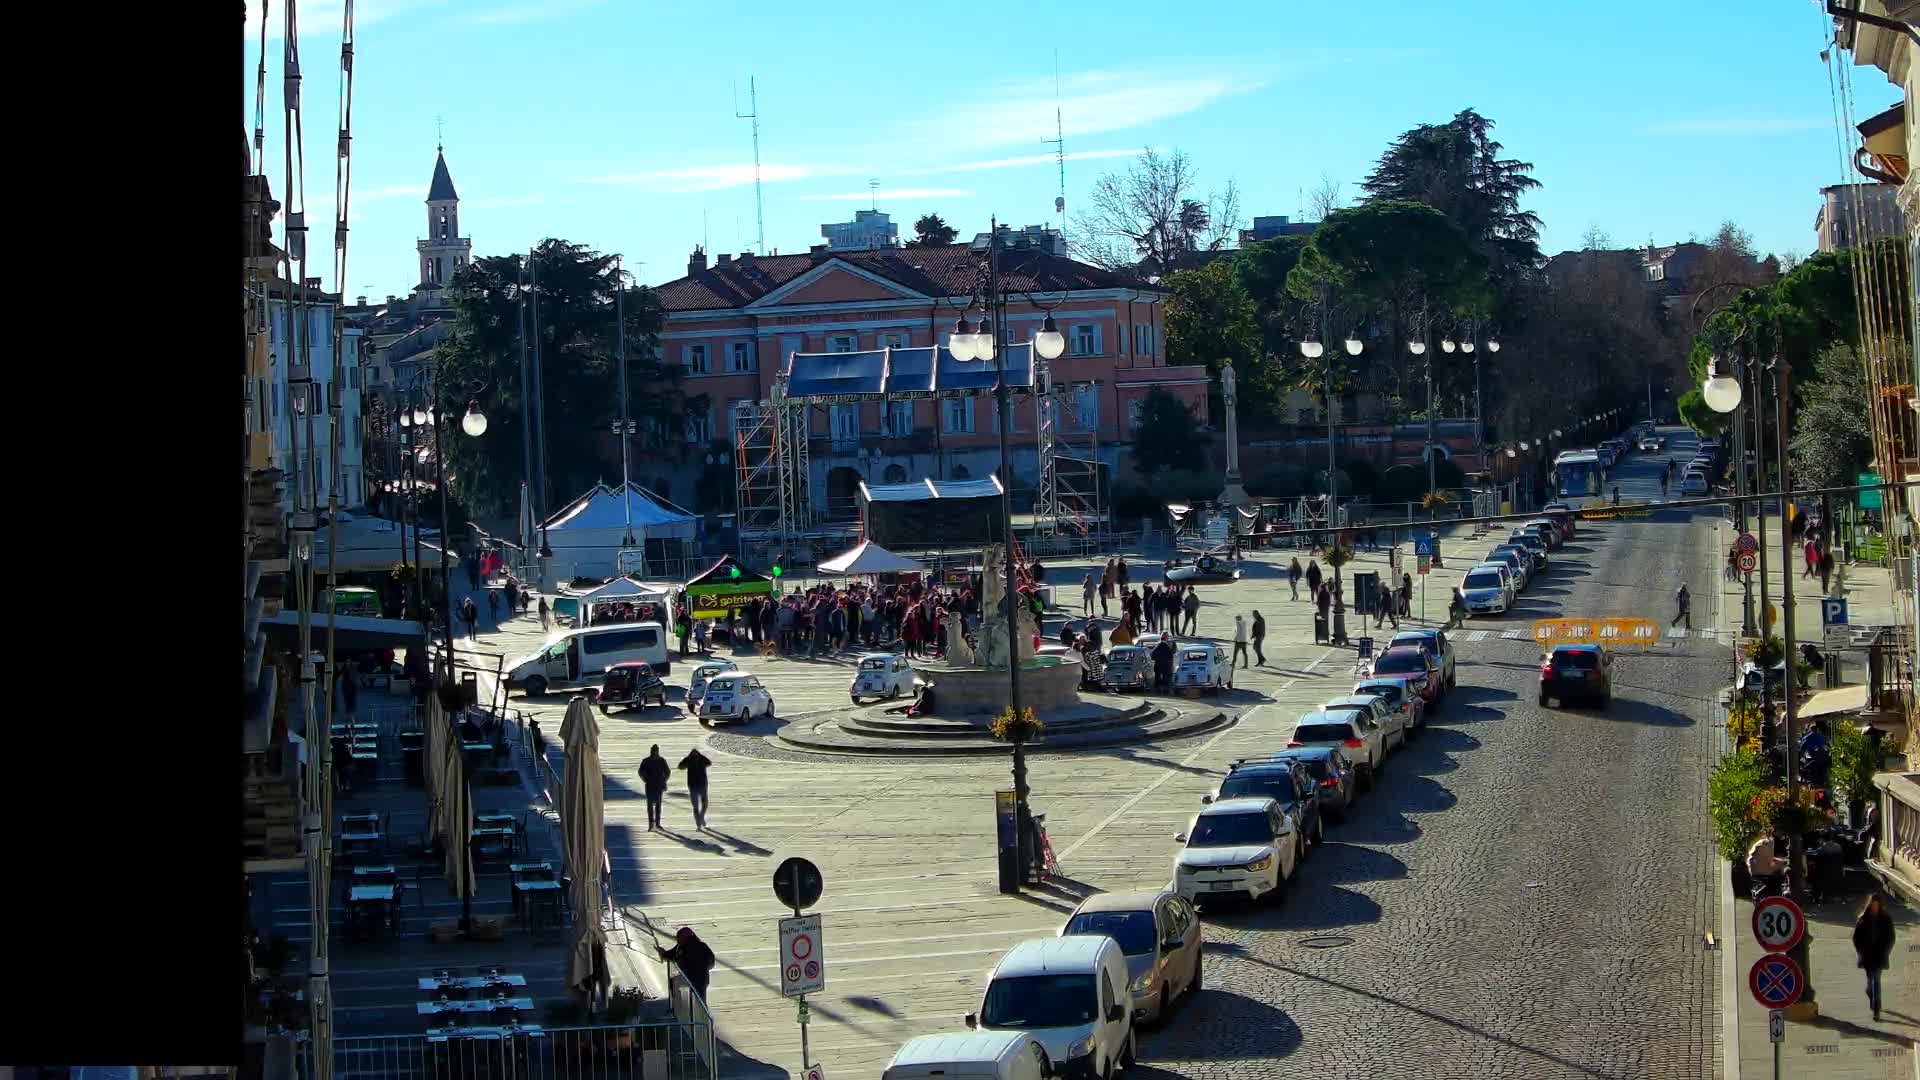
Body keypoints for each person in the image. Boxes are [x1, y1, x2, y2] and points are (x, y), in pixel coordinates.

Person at [1855, 893, 1897, 1021]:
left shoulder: (1886, 919)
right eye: (1873, 905)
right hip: (1867, 956)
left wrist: (1886, 951)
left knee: (1876, 981)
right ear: (1869, 906)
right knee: (1869, 986)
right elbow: (1856, 938)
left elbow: (1891, 937)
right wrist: (1860, 951)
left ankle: (1876, 1010)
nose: (1874, 907)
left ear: (1880, 906)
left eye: (1876, 905)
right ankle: (1872, 997)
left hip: (1879, 955)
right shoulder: (1863, 919)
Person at [658, 927, 717, 1003]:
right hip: (695, 978)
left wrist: (700, 966)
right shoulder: (683, 946)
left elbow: (678, 958)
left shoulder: (692, 947)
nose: (678, 940)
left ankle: (677, 1006)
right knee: (699, 1000)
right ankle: (679, 1006)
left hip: (696, 979)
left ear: (685, 938)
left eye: (679, 938)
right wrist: (664, 954)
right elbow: (673, 954)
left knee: (698, 1000)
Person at [637, 745, 671, 830]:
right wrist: (645, 779)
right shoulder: (646, 761)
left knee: (658, 805)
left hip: (658, 785)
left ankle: (657, 823)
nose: (655, 752)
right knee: (650, 805)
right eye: (654, 750)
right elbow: (640, 771)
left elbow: (667, 771)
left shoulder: (661, 760)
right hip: (650, 785)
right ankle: (651, 823)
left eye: (656, 750)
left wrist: (664, 780)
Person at [678, 747, 712, 829]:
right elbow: (680, 767)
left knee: (704, 803)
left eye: (696, 754)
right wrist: (687, 759)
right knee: (696, 806)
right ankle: (698, 824)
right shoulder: (689, 760)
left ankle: (701, 817)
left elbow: (709, 763)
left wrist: (701, 756)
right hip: (693, 785)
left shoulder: (702, 760)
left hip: (702, 785)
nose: (695, 755)